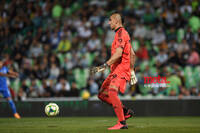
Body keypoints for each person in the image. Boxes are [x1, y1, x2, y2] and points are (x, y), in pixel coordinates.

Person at [91, 12, 137, 130]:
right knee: (102, 94)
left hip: (121, 68)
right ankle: (125, 111)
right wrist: (131, 71)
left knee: (112, 92)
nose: (109, 22)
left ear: (117, 21)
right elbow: (132, 54)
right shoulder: (122, 34)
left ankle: (122, 123)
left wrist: (104, 65)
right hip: (118, 69)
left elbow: (119, 53)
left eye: (110, 20)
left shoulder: (121, 33)